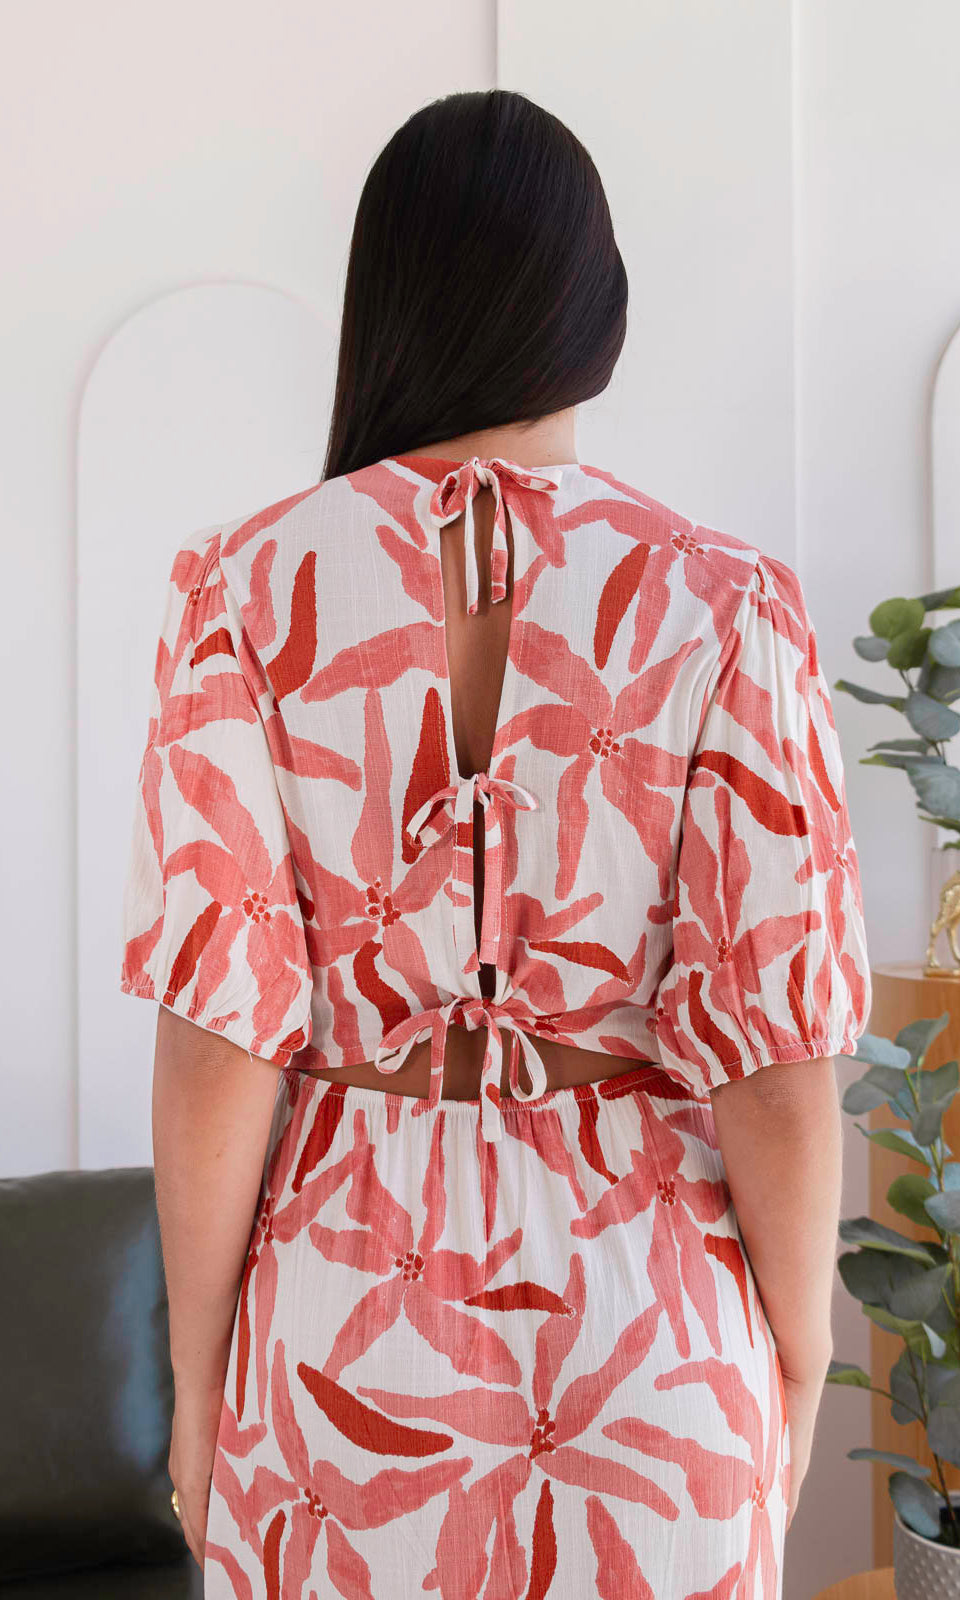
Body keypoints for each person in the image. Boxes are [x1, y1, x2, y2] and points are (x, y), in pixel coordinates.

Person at [119, 88, 871, 1599]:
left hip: (336, 1340)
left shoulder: (241, 593)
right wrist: (794, 1366)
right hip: (653, 1347)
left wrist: (201, 1386)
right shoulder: (726, 604)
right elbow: (779, 1071)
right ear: (599, 313)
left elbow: (217, 1049)